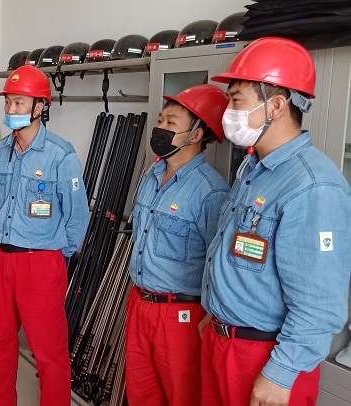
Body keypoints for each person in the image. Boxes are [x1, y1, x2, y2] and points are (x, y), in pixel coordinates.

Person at [200, 37, 351, 406]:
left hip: (267, 359)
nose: (228, 111)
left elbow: (320, 302)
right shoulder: (254, 170)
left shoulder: (313, 185)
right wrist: (216, 313)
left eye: (236, 100)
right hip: (224, 342)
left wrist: (281, 373)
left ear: (277, 105)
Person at [0, 64, 89, 406]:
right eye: (8, 102)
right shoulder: (0, 151)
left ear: (40, 106)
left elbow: (77, 217)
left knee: (49, 350)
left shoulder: (61, 154)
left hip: (40, 263)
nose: (10, 109)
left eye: (18, 103)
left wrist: (54, 256)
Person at [125, 84, 230, 406]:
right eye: (160, 121)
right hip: (139, 303)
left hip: (181, 314)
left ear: (195, 135)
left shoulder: (211, 192)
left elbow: (219, 263)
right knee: (141, 394)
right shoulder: (151, 175)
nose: (160, 128)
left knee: (182, 396)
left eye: (171, 123)